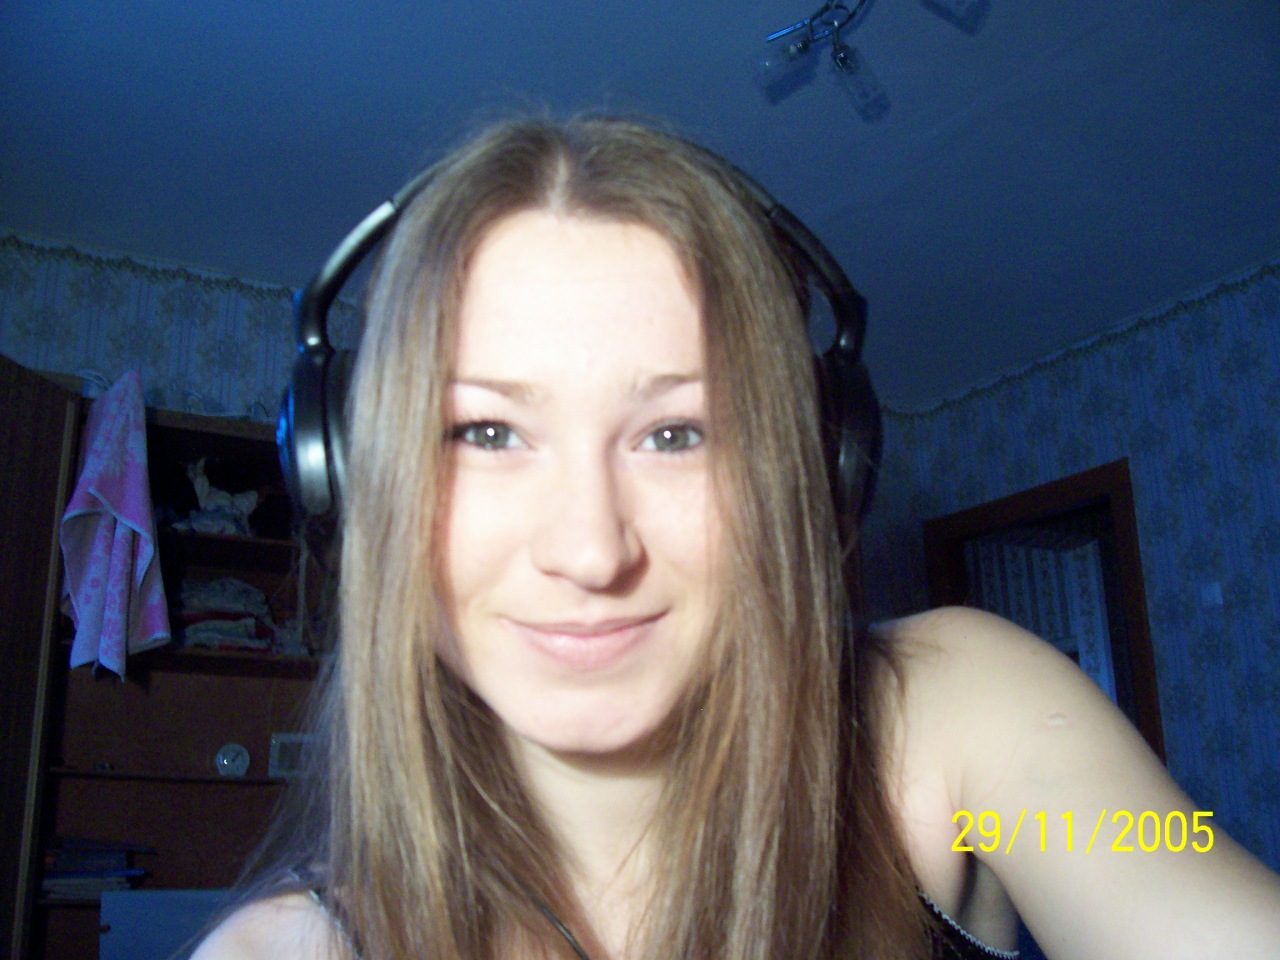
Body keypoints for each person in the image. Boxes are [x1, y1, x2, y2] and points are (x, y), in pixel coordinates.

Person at [191, 116, 1280, 960]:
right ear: (351, 478)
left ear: (809, 470)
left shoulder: (962, 706)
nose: (590, 551)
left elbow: (1156, 851)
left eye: (675, 434)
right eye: (485, 432)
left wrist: (1154, 838)